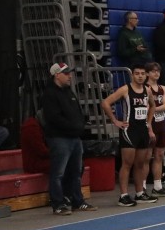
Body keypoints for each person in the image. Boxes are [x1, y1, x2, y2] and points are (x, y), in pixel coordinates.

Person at [41, 63, 98, 215]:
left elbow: (76, 112)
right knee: (58, 173)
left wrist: (80, 125)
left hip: (74, 138)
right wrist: (74, 127)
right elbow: (53, 118)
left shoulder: (69, 92)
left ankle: (77, 201)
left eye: (69, 73)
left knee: (76, 171)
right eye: (66, 73)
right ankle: (58, 203)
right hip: (59, 138)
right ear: (56, 75)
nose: (70, 76)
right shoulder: (49, 94)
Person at [101, 64, 157, 206]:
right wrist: (115, 120)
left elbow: (153, 106)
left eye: (142, 73)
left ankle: (139, 193)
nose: (140, 76)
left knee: (140, 164)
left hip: (142, 130)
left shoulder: (147, 90)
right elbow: (105, 103)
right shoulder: (125, 89)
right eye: (137, 73)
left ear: (146, 75)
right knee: (127, 163)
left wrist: (149, 123)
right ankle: (123, 195)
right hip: (129, 130)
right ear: (132, 75)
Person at [145, 62, 165, 197]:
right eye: (153, 71)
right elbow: (146, 108)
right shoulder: (144, 88)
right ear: (147, 73)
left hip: (161, 124)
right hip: (149, 124)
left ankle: (158, 186)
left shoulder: (162, 88)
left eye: (158, 71)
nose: (156, 73)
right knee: (146, 157)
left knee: (159, 155)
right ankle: (142, 187)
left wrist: (153, 108)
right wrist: (154, 109)